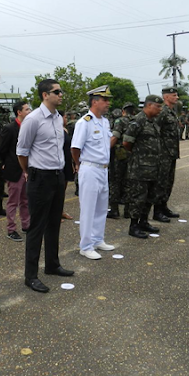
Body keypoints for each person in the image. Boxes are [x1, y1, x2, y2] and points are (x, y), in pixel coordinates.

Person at [16, 79, 74, 293]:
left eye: (61, 91)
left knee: (54, 224)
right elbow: (22, 152)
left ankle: (52, 264)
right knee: (36, 228)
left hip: (57, 178)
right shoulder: (33, 120)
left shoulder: (58, 118)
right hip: (39, 178)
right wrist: (29, 172)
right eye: (56, 91)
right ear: (44, 95)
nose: (61, 95)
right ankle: (30, 275)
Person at [71, 85, 115, 260]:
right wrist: (78, 165)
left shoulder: (105, 121)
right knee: (88, 209)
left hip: (103, 169)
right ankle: (86, 245)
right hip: (89, 168)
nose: (108, 103)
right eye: (105, 100)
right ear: (95, 102)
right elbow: (75, 147)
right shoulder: (85, 122)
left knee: (101, 207)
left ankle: (98, 239)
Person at [123, 95, 163, 239]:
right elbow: (127, 143)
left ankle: (144, 222)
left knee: (150, 197)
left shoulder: (153, 122)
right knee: (138, 198)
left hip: (153, 167)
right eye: (158, 106)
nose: (160, 109)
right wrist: (139, 156)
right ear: (149, 105)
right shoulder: (138, 121)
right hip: (140, 168)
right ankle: (133, 225)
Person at [0, 101, 31, 242]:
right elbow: (3, 149)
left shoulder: (29, 127)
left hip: (27, 170)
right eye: (27, 109)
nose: (29, 111)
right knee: (13, 201)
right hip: (14, 170)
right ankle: (11, 229)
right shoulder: (10, 128)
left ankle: (26, 225)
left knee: (25, 200)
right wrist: (4, 164)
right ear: (19, 112)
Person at [153, 87, 181, 223]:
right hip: (163, 154)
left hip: (171, 153)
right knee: (161, 183)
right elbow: (155, 131)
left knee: (169, 182)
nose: (177, 97)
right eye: (174, 95)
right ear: (166, 97)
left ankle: (164, 207)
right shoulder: (162, 112)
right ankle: (157, 211)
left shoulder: (171, 112)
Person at [108, 102, 135, 219]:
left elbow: (114, 137)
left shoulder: (120, 121)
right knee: (129, 182)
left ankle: (114, 210)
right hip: (133, 155)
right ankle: (128, 211)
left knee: (115, 181)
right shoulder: (136, 121)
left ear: (123, 111)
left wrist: (105, 150)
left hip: (119, 156)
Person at [59, 110, 75, 221]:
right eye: (65, 117)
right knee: (56, 190)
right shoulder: (54, 130)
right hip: (58, 163)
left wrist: (73, 163)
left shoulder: (65, 130)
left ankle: (60, 211)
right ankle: (54, 213)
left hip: (66, 162)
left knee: (62, 190)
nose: (66, 119)